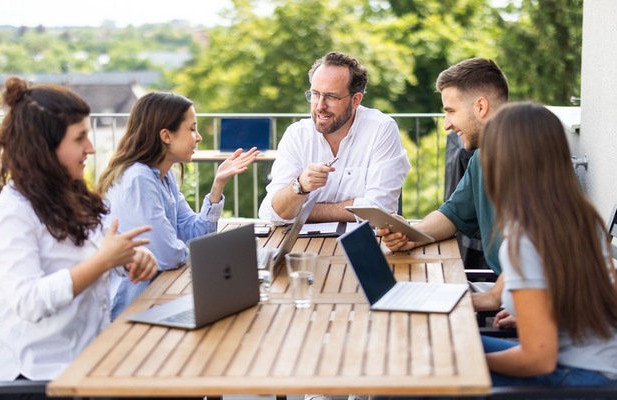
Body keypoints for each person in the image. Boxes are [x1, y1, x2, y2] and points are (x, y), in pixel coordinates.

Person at [0, 77, 158, 400]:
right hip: (41, 381)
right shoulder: (12, 214)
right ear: (44, 148)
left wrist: (125, 259)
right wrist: (103, 261)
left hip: (88, 361)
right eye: (80, 138)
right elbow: (30, 301)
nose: (90, 149)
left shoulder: (66, 195)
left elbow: (93, 257)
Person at [478, 101, 617, 387]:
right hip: (609, 373)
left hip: (583, 383)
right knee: (437, 354)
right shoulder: (579, 215)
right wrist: (541, 319)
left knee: (426, 374)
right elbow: (600, 298)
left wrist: (464, 365)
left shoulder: (524, 238)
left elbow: (539, 360)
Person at [96, 91, 259, 319]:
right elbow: (168, 255)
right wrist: (201, 253)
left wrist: (217, 185)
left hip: (163, 294)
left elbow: (194, 234)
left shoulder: (164, 176)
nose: (199, 137)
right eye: (192, 128)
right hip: (134, 310)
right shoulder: (138, 179)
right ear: (166, 136)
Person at [379, 58, 509, 315]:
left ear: (481, 106)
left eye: (450, 111)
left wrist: (496, 297)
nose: (446, 124)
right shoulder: (483, 158)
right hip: (503, 291)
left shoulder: (524, 159)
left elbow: (537, 246)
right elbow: (451, 214)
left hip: (512, 298)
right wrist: (409, 236)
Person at [258, 52, 410, 223]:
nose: (320, 106)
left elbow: (380, 210)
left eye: (331, 97)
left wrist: (301, 211)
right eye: (315, 94)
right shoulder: (296, 135)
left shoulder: (381, 129)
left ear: (356, 100)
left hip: (362, 243)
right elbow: (270, 212)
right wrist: (299, 186)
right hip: (303, 246)